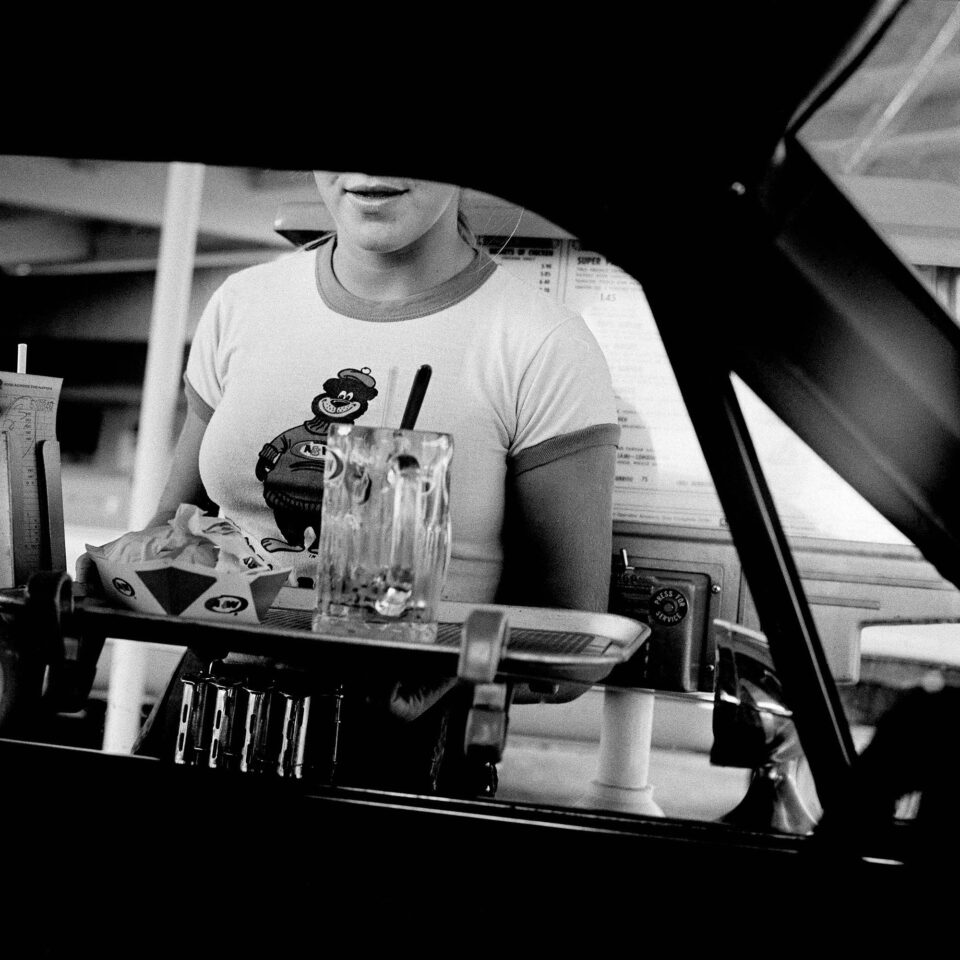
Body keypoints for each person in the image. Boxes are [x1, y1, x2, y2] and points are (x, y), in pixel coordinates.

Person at [113, 171, 620, 795]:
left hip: (401, 743)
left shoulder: (541, 342)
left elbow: (570, 640)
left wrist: (453, 667)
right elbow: (167, 538)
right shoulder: (243, 303)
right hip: (209, 712)